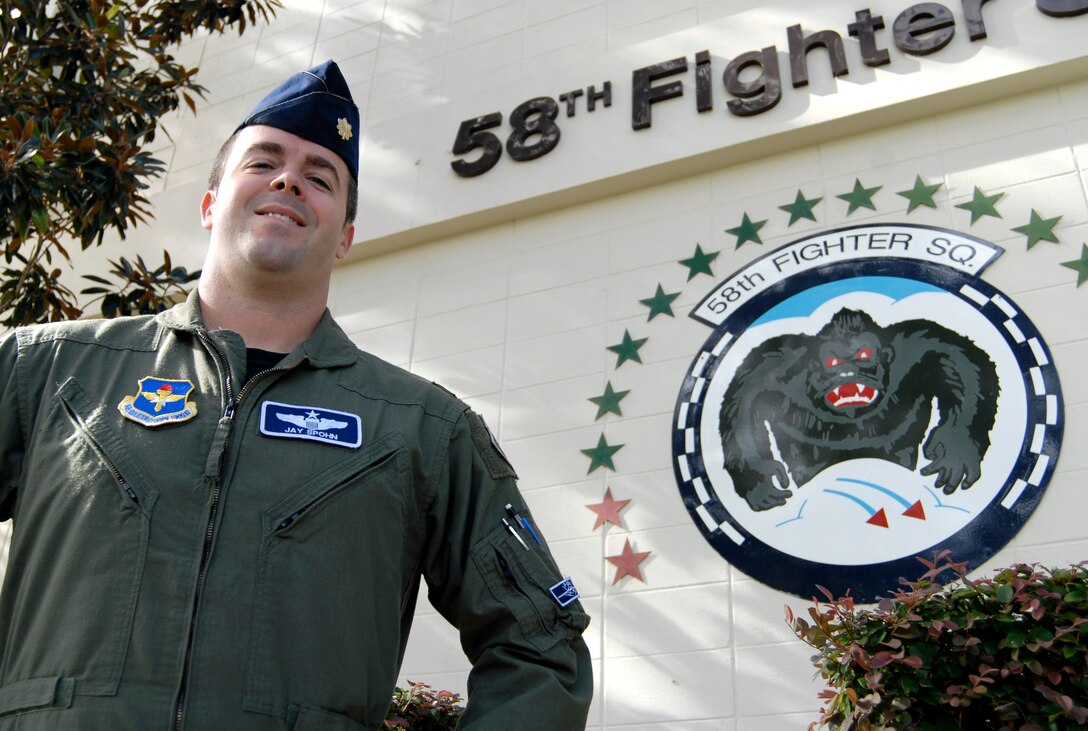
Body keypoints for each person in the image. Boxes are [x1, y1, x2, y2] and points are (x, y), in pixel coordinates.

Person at [0, 60, 592, 730]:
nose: (288, 180)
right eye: (263, 162)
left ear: (344, 237)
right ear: (209, 203)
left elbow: (540, 644)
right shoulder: (47, 370)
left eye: (320, 177)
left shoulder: (425, 428)